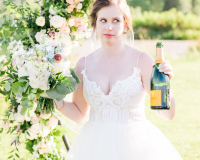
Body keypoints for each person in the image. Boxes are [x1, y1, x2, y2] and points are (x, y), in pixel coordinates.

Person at [54, 0, 183, 159]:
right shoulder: (83, 64)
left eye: (116, 20)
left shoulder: (142, 61)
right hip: (94, 146)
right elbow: (80, 114)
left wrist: (166, 85)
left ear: (125, 24)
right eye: (103, 20)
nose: (109, 27)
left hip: (135, 145)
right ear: (95, 24)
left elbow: (168, 115)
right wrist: (56, 101)